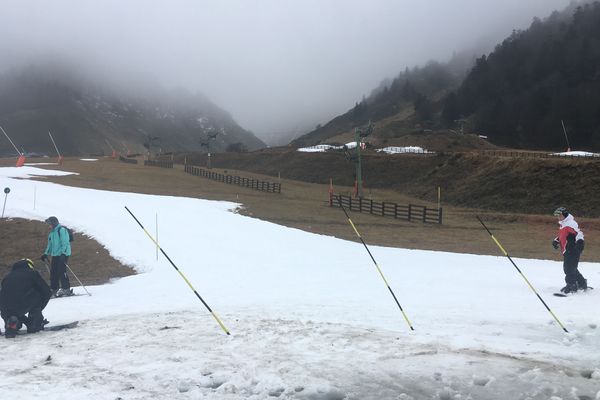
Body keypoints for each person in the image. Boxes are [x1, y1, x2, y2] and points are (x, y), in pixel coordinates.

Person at [0, 259, 51, 338]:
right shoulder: (32, 273)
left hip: (4, 309)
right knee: (38, 294)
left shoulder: (7, 276)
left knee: (12, 312)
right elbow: (47, 292)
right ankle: (34, 323)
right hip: (22, 304)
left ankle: (12, 323)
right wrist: (39, 310)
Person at [552, 207, 587, 293]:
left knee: (568, 268)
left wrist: (580, 243)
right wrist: (557, 240)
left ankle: (571, 286)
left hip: (573, 249)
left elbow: (579, 233)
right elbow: (563, 235)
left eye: (560, 215)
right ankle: (582, 283)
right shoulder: (563, 223)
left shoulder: (570, 223)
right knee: (572, 268)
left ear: (564, 215)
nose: (558, 217)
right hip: (567, 249)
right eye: (557, 216)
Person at [40, 216, 72, 297]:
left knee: (61, 271)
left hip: (63, 254)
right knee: (53, 272)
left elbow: (65, 243)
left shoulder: (61, 230)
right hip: (55, 255)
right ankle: (54, 289)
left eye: (49, 223)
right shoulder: (52, 233)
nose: (49, 225)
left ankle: (66, 289)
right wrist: (46, 253)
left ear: (54, 223)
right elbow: (50, 245)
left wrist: (63, 253)